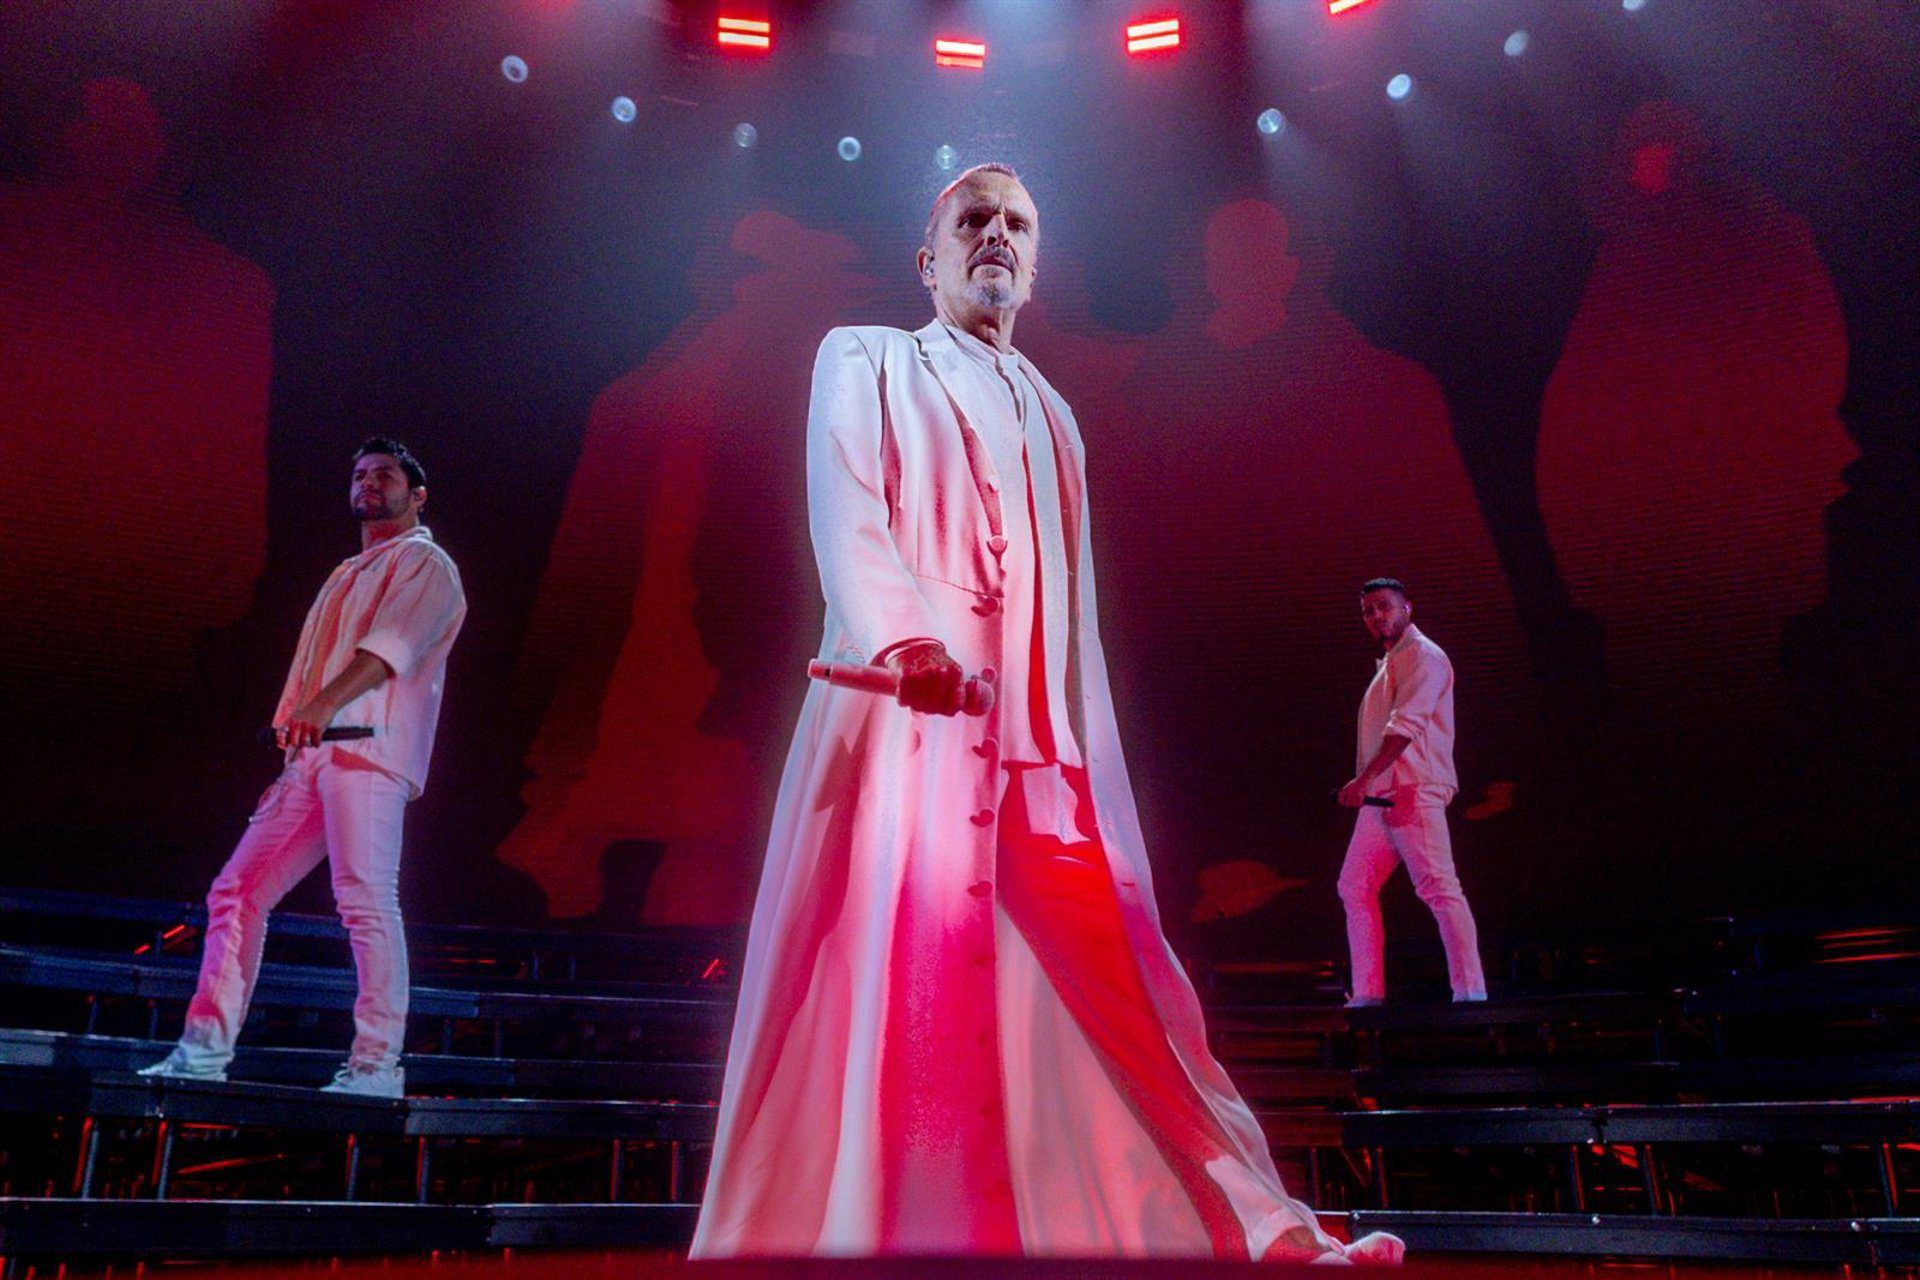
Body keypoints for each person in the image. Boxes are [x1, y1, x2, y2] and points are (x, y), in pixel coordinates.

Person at [691, 164, 1400, 1262]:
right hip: (902, 733)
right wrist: (910, 642)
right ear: (927, 260)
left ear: (1034, 263)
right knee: (897, 989)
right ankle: (890, 1236)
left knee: (1133, 998)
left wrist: (1072, 747)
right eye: (972, 220)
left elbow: (1068, 611)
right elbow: (847, 509)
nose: (996, 236)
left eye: (1016, 224)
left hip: (1034, 759)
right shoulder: (865, 357)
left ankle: (1259, 1228)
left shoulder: (1058, 413)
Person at [140, 438, 466, 1098]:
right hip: (314, 756)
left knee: (365, 900)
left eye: (384, 474)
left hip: (368, 752)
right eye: (359, 474)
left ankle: (376, 1066)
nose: (368, 482)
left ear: (417, 495)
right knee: (236, 891)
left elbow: (391, 648)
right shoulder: (346, 572)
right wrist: (296, 748)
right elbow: (314, 669)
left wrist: (320, 707)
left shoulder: (426, 563)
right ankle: (203, 1053)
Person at [1336, 578, 1487, 1007]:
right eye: (1368, 611)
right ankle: (1368, 994)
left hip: (1412, 789)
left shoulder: (1424, 656)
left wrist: (1363, 780)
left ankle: (1471, 993)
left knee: (1438, 887)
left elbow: (1406, 726)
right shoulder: (1390, 664)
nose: (1376, 616)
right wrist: (1369, 785)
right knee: (1354, 886)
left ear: (1407, 608)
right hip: (1382, 797)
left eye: (1384, 606)